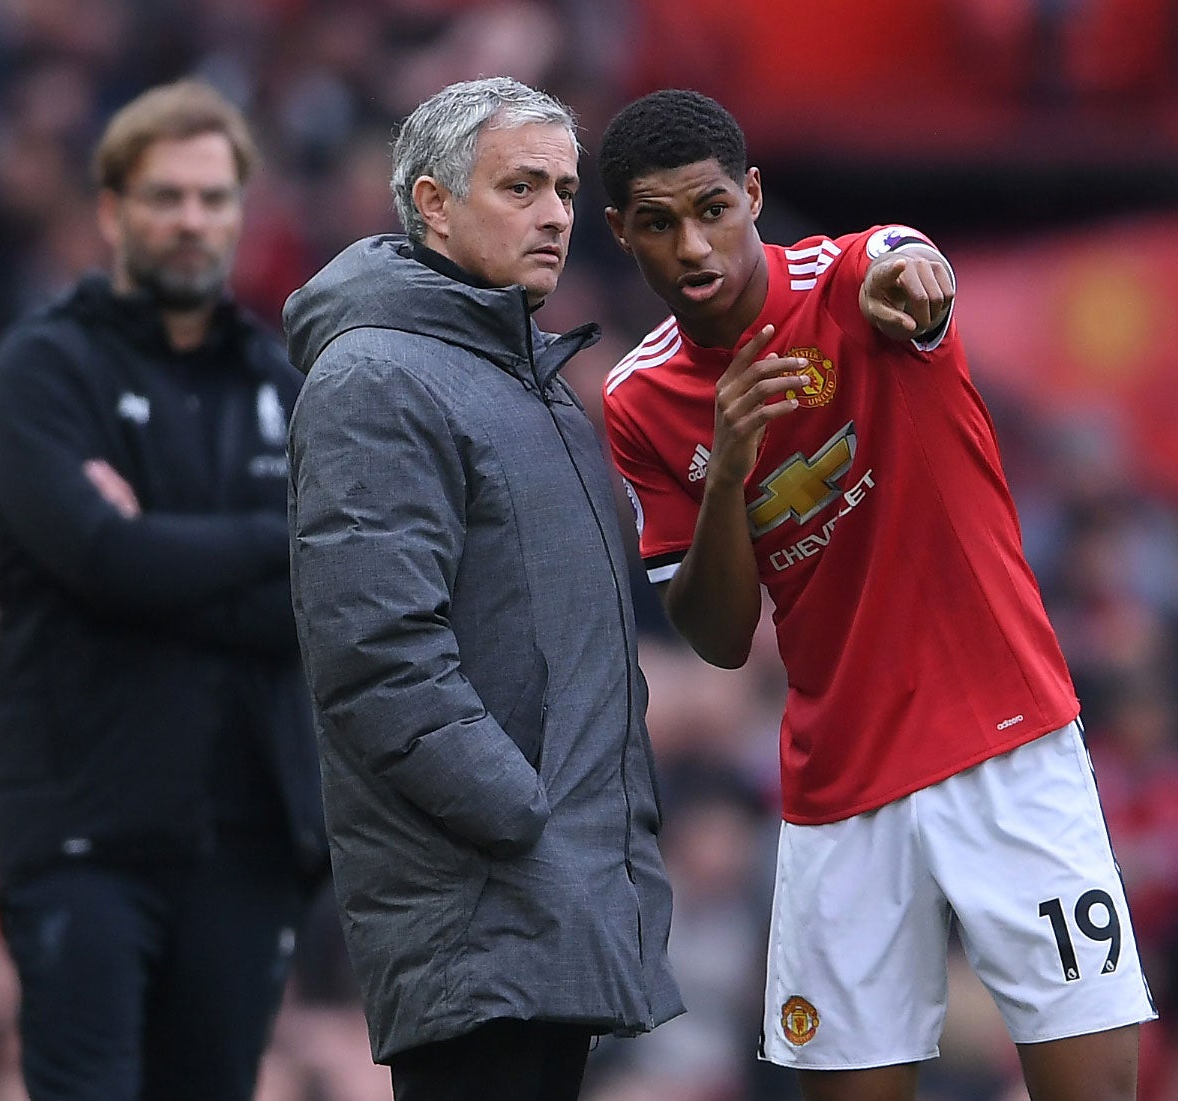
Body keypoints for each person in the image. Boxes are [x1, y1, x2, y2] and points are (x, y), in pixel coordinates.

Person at [597, 89, 1156, 1101]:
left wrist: (919, 287)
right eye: (656, 223)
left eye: (712, 208)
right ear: (618, 234)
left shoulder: (849, 276)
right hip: (839, 786)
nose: (692, 245)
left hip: (1004, 740)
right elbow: (718, 639)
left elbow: (908, 269)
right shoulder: (639, 402)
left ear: (754, 195)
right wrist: (725, 470)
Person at [283, 76, 684, 1101]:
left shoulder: (524, 378)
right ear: (431, 203)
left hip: (553, 895)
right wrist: (525, 816)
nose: (555, 213)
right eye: (519, 186)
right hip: (486, 896)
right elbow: (377, 662)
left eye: (562, 187)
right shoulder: (377, 377)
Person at [0, 79, 327, 1101]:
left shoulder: (278, 382)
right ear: (110, 208)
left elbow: (325, 591)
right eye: (166, 196)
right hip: (86, 825)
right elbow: (97, 560)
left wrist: (157, 551)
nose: (192, 221)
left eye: (214, 198)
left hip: (251, 835)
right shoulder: (46, 369)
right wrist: (273, 541)